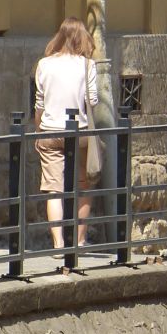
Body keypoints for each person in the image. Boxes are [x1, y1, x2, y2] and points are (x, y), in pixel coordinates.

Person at [33, 17, 98, 250]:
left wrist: (37, 129)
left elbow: (39, 103)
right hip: (78, 132)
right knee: (83, 185)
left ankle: (59, 243)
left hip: (49, 131)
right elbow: (93, 100)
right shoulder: (87, 65)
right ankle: (79, 240)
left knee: (54, 188)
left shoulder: (44, 64)